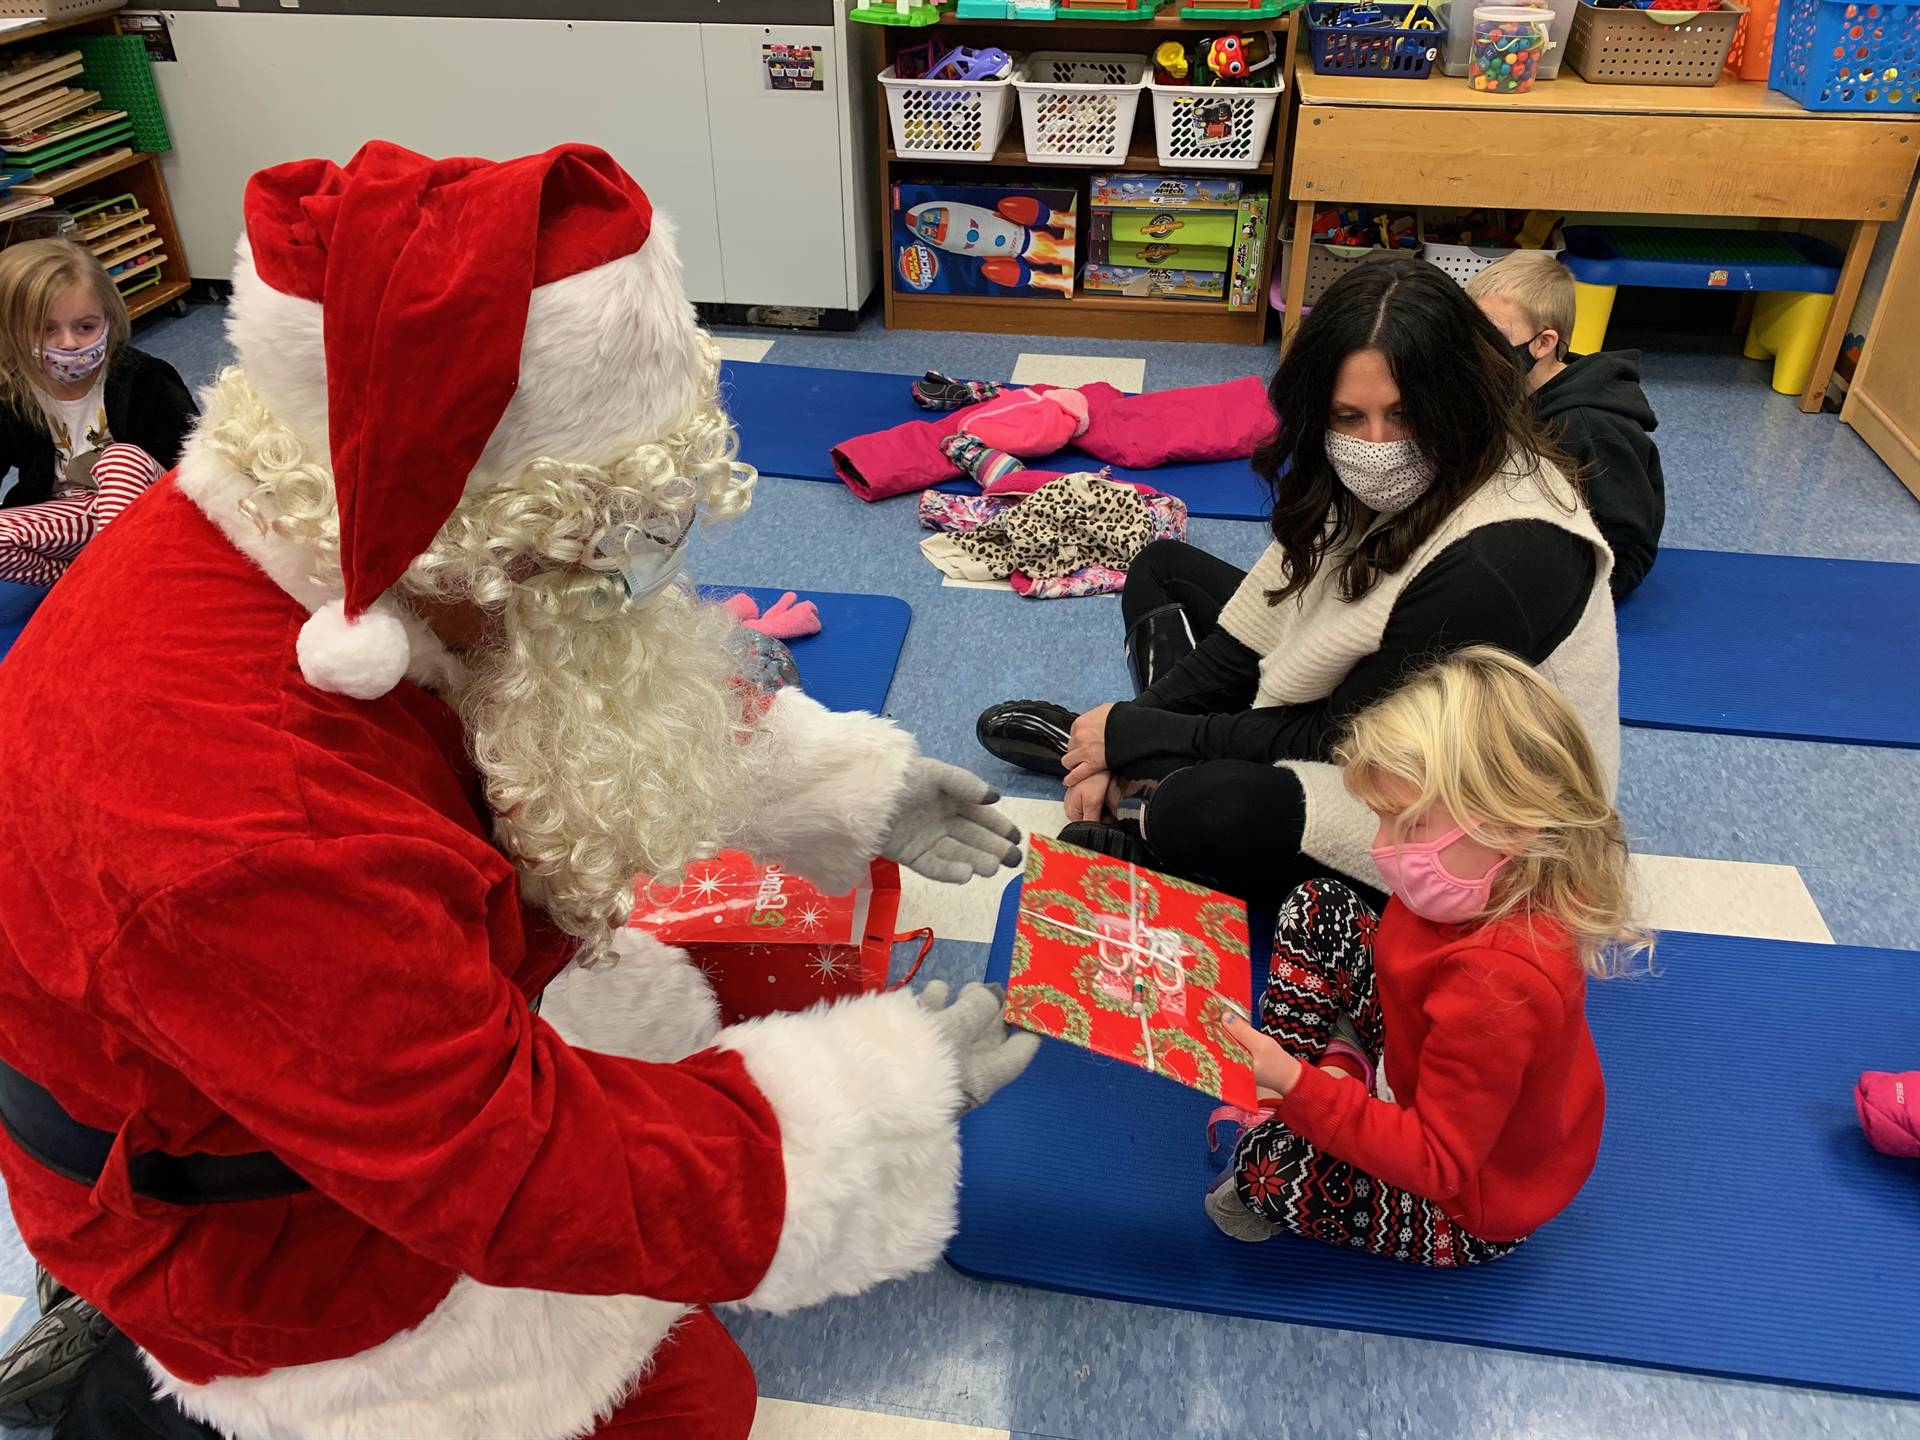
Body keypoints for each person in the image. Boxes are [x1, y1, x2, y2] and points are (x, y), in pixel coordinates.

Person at [0, 142, 1036, 1440]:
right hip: (253, 1226)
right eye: (604, 536)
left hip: (317, 1045)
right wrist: (870, 1101)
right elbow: (505, 1162)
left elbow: (558, 678)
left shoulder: (337, 536)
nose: (640, 575)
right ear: (457, 520)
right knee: (685, 1407)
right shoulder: (245, 812)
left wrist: (832, 783)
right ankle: (138, 1392)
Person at [976, 258, 1620, 909]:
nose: (1377, 443)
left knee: (1203, 807)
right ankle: (1119, 764)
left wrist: (1140, 736)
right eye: (1349, 417)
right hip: (1369, 703)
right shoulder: (1352, 469)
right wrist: (1131, 730)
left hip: (1456, 806)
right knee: (1161, 570)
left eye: (1404, 415)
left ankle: (1148, 789)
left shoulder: (1505, 553)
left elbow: (1344, 736)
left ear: (1454, 398)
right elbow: (1252, 629)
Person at [1209, 647, 1648, 1264]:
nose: (1383, 847)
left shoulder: (1500, 981)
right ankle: (1322, 1084)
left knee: (1264, 1174)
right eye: (1382, 817)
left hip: (1469, 1201)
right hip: (1420, 1060)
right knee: (1318, 904)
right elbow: (1407, 971)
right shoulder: (1477, 877)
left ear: (1512, 823)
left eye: (1408, 823)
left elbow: (1438, 1164)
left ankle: (1307, 1093)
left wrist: (1294, 1085)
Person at [1467, 251, 1665, 600]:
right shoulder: (1515, 385)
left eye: (1493, 335)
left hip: (1601, 563)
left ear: (1544, 343)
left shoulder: (1588, 426)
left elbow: (1625, 543)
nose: (1477, 348)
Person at [0, 238, 197, 585]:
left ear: (108, 319)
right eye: (46, 329)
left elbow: (196, 463)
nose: (69, 343)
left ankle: (107, 579)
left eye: (85, 327)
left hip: (149, 511)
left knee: (121, 458)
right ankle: (86, 581)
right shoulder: (11, 393)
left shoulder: (145, 379)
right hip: (73, 519)